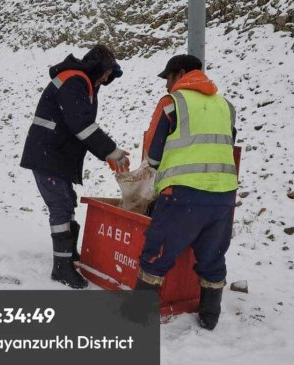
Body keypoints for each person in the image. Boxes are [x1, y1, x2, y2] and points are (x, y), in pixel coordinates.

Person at [137, 54, 238, 330]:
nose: (167, 86)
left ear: (180, 73)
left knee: (156, 255)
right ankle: (209, 318)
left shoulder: (172, 104)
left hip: (182, 195)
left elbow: (154, 157)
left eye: (168, 79)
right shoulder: (225, 106)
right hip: (224, 197)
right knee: (213, 257)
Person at [20, 45, 130, 289]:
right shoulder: (75, 81)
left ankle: (68, 255)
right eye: (106, 73)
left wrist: (108, 153)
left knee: (66, 201)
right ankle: (61, 268)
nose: (106, 79)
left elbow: (81, 125)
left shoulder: (83, 83)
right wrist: (112, 152)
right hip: (47, 154)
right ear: (98, 68)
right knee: (61, 205)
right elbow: (82, 125)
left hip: (54, 154)